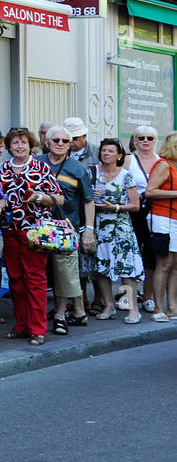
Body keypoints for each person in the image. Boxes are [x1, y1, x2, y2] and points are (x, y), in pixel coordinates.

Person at [0, 127, 62, 345]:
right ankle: (22, 325)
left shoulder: (40, 167)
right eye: (15, 143)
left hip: (35, 232)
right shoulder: (1, 170)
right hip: (9, 231)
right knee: (16, 280)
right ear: (9, 147)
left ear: (30, 145)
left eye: (23, 142)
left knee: (35, 279)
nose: (19, 146)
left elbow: (59, 199)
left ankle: (37, 328)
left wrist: (39, 197)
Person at [39, 125, 94, 333]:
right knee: (43, 273)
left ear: (70, 144)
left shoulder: (78, 168)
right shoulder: (37, 163)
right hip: (40, 228)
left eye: (64, 141)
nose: (60, 144)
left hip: (67, 228)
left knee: (64, 272)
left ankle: (60, 314)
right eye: (56, 140)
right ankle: (68, 312)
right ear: (47, 142)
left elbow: (89, 201)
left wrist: (88, 229)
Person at [92, 138, 144, 324]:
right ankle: (109, 305)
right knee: (102, 268)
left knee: (126, 269)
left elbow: (135, 205)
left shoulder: (125, 175)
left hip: (121, 228)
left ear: (119, 155)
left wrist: (115, 207)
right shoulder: (93, 172)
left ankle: (132, 309)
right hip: (99, 226)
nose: (106, 154)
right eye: (104, 150)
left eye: (110, 151)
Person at [123, 126, 159, 313]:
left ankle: (147, 297)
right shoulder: (128, 160)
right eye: (141, 137)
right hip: (132, 212)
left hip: (155, 212)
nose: (146, 141)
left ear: (155, 140)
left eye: (150, 138)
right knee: (128, 255)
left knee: (151, 256)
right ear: (135, 140)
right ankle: (127, 297)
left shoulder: (162, 162)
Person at [145, 133, 177, 322]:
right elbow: (150, 191)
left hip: (175, 218)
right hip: (162, 217)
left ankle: (173, 307)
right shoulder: (164, 165)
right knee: (164, 264)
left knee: (175, 266)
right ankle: (158, 307)